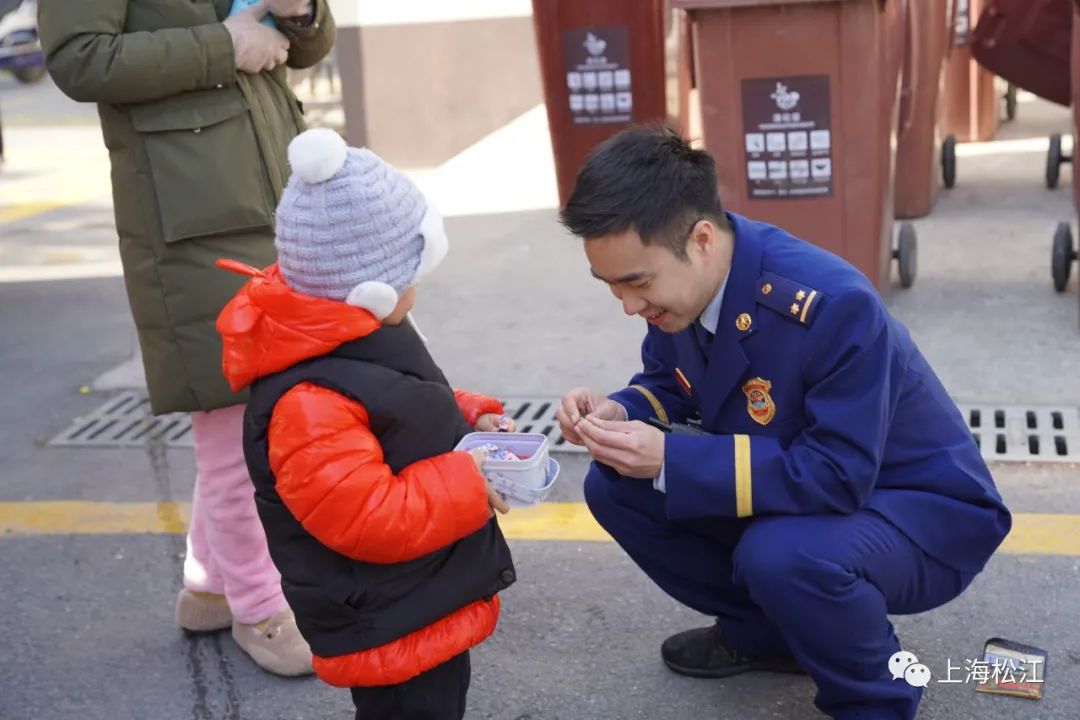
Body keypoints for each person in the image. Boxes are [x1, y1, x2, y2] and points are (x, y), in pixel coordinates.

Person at [555, 125, 1011, 720]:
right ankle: (769, 636)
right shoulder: (687, 286)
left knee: (781, 555)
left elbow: (837, 475)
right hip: (809, 487)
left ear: (700, 240)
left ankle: (873, 699)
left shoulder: (830, 304)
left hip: (919, 509)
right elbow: (673, 384)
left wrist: (670, 458)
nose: (628, 305)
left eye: (637, 282)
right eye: (611, 285)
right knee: (615, 486)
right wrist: (622, 410)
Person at [38, 0, 336, 675]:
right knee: (239, 429)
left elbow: (305, 49)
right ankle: (260, 610)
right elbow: (80, 58)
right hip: (191, 221)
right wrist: (221, 45)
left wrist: (302, 12)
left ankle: (208, 586)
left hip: (273, 200)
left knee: (248, 422)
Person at [215, 128, 518, 720]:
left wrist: (467, 412)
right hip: (383, 616)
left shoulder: (352, 332)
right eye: (412, 275)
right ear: (371, 290)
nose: (416, 288)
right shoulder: (306, 401)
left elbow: (398, 400)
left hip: (414, 595)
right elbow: (365, 515)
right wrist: (469, 481)